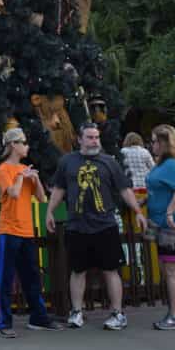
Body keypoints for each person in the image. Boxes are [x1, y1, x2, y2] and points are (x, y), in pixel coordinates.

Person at [46, 121, 147, 331]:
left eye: (97, 137)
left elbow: (124, 189)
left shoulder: (109, 162)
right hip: (77, 225)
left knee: (111, 270)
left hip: (105, 225)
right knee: (77, 270)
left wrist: (138, 212)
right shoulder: (67, 161)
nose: (94, 141)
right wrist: (49, 212)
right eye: (90, 137)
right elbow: (59, 188)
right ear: (80, 139)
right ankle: (76, 312)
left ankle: (118, 313)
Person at [0, 127, 63, 337]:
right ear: (13, 145)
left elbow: (41, 198)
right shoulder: (4, 169)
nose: (27, 146)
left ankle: (38, 318)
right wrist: (22, 178)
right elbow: (13, 193)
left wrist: (35, 179)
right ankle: (3, 323)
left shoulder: (25, 169)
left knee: (32, 277)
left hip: (26, 231)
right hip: (9, 230)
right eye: (23, 142)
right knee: (5, 278)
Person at [146, 124, 175, 331]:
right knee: (169, 270)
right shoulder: (162, 165)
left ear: (164, 143)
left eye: (154, 141)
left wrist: (169, 211)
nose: (152, 145)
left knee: (172, 270)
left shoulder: (172, 165)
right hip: (158, 225)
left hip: (171, 226)